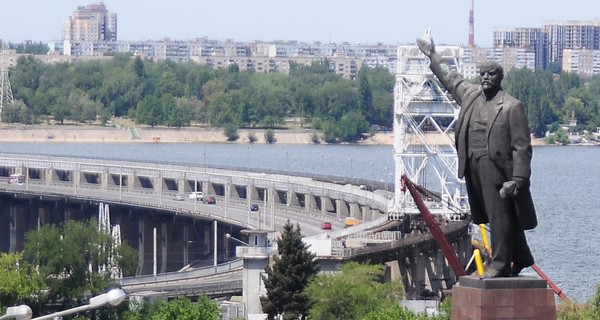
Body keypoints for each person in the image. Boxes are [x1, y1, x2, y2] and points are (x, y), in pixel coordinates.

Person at [417, 33, 537, 278]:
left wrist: (520, 179)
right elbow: (451, 78)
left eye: (491, 73)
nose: (485, 77)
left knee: (500, 216)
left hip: (499, 171)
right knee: (499, 217)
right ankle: (522, 256)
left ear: (500, 77)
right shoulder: (471, 96)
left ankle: (501, 263)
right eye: (482, 73)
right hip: (474, 166)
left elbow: (522, 147)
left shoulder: (512, 106)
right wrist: (432, 55)